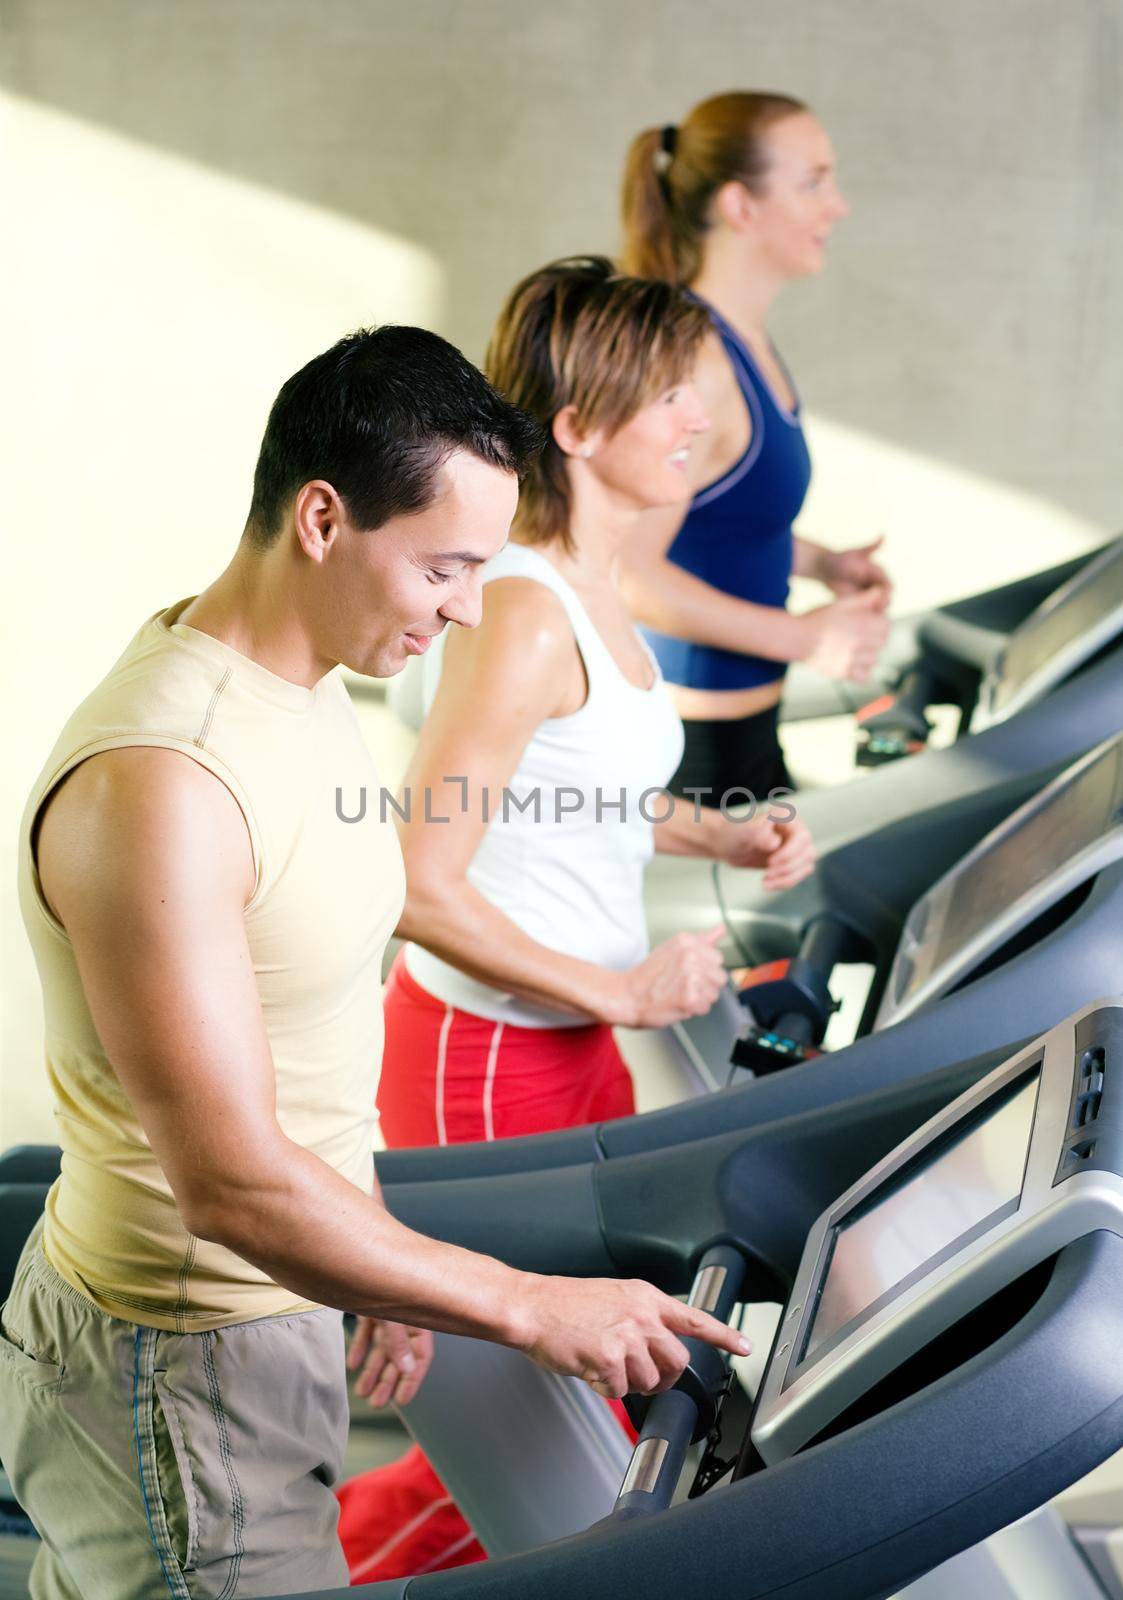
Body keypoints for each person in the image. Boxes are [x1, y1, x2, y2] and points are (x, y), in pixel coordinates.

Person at [0, 325, 750, 1600]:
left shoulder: (300, 680)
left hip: (266, 1310)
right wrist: (519, 1303)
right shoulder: (163, 780)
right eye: (446, 566)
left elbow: (302, 1046)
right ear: (322, 517)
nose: (469, 606)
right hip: (178, 1357)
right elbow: (231, 1185)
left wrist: (378, 1256)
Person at [336, 259, 815, 1582]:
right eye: (667, 397)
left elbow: (574, 796)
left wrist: (715, 831)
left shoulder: (587, 593)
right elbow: (419, 879)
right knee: (526, 1450)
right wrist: (621, 993)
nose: (697, 424)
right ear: (577, 428)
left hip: (564, 1051)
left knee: (554, 1435)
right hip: (487, 1055)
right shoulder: (528, 616)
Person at [618, 90, 894, 800]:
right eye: (813, 182)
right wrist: (805, 638)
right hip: (692, 751)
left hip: (743, 731)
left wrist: (822, 562)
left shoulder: (742, 341)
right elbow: (628, 570)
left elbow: (716, 520)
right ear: (740, 207)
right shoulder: (696, 362)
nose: (838, 206)